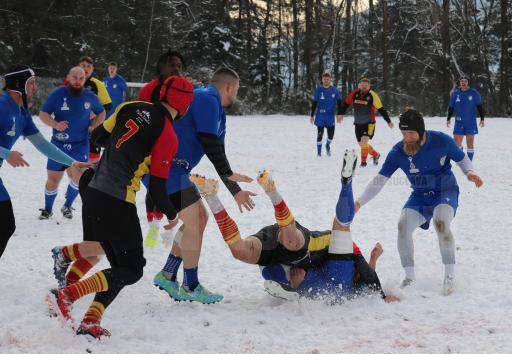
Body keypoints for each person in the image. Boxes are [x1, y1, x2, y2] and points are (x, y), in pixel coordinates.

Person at [47, 76, 194, 338]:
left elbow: (100, 137)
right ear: (184, 105)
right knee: (132, 268)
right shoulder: (168, 135)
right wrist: (173, 214)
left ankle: (91, 320)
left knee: (116, 263)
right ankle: (68, 293)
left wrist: (93, 163)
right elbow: (158, 189)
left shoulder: (131, 105)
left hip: (93, 188)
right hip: (116, 199)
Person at [192, 150, 399, 303]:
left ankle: (211, 197)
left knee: (239, 251)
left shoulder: (346, 283)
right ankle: (275, 193)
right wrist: (382, 294)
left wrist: (293, 286)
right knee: (302, 237)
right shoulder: (348, 273)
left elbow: (368, 277)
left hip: (282, 260)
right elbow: (369, 279)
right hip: (313, 248)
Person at [152, 67, 256, 303]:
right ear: (229, 87)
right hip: (166, 168)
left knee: (198, 218)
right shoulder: (207, 98)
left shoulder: (220, 112)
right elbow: (209, 144)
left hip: (178, 170)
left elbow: (218, 152)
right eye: (237, 89)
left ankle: (168, 274)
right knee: (195, 220)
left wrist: (236, 191)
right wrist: (233, 185)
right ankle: (190, 286)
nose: (236, 94)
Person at [356, 109, 483, 294]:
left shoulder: (441, 140)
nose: (407, 138)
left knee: (441, 223)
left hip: (445, 191)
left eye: (411, 133)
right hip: (419, 196)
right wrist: (359, 202)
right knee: (403, 225)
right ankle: (409, 277)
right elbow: (379, 180)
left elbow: (462, 159)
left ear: (422, 132)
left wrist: (470, 172)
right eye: (404, 133)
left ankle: (449, 277)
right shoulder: (398, 152)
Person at [0, 65, 89, 258]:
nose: (35, 87)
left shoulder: (22, 113)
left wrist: (72, 163)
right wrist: (6, 154)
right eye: (31, 83)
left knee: (6, 225)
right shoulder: (1, 105)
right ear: (18, 85)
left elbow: (43, 145)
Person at [38, 66, 105, 219]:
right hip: (58, 145)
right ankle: (47, 209)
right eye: (74, 77)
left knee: (79, 177)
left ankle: (67, 206)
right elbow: (43, 114)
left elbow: (101, 112)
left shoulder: (90, 96)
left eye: (81, 78)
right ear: (68, 77)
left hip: (80, 145)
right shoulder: (58, 94)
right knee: (53, 179)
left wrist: (95, 126)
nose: (77, 81)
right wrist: (55, 124)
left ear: (85, 79)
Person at [139, 51, 186, 246]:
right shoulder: (150, 89)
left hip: (174, 145)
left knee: (165, 188)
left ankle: (163, 226)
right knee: (154, 187)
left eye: (179, 65)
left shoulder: (184, 89)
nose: (176, 68)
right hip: (149, 147)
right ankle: (153, 227)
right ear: (161, 67)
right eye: (171, 64)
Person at [337, 77, 393, 167]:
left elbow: (381, 109)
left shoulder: (373, 95)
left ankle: (363, 163)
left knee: (364, 142)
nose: (364, 87)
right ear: (360, 85)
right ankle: (375, 154)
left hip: (369, 123)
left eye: (366, 86)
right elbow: (346, 104)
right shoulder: (355, 93)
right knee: (362, 144)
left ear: (369, 86)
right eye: (362, 85)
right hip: (358, 123)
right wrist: (340, 114)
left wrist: (388, 121)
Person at [78, 56, 113, 162]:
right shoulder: (71, 82)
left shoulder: (97, 84)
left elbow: (108, 105)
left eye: (88, 66)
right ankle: (74, 178)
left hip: (93, 128)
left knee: (92, 160)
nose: (86, 68)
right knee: (74, 160)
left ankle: (92, 175)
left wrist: (95, 113)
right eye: (83, 66)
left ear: (92, 69)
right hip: (75, 128)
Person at [446, 77, 485, 161]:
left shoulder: (474, 93)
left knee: (470, 142)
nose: (463, 83)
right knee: (457, 143)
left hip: (470, 122)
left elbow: (479, 106)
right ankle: (462, 160)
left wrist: (482, 119)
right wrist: (448, 118)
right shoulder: (455, 94)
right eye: (462, 81)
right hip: (459, 122)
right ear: (459, 83)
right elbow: (451, 107)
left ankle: (469, 161)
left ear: (467, 83)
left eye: (465, 81)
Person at [310, 72, 341, 157]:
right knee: (319, 134)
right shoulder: (318, 90)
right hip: (320, 116)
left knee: (331, 136)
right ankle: (319, 153)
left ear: (330, 80)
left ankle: (327, 145)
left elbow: (339, 102)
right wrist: (312, 115)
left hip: (330, 116)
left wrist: (339, 114)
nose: (326, 80)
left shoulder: (334, 90)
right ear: (322, 79)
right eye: (324, 79)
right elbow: (315, 103)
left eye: (327, 79)